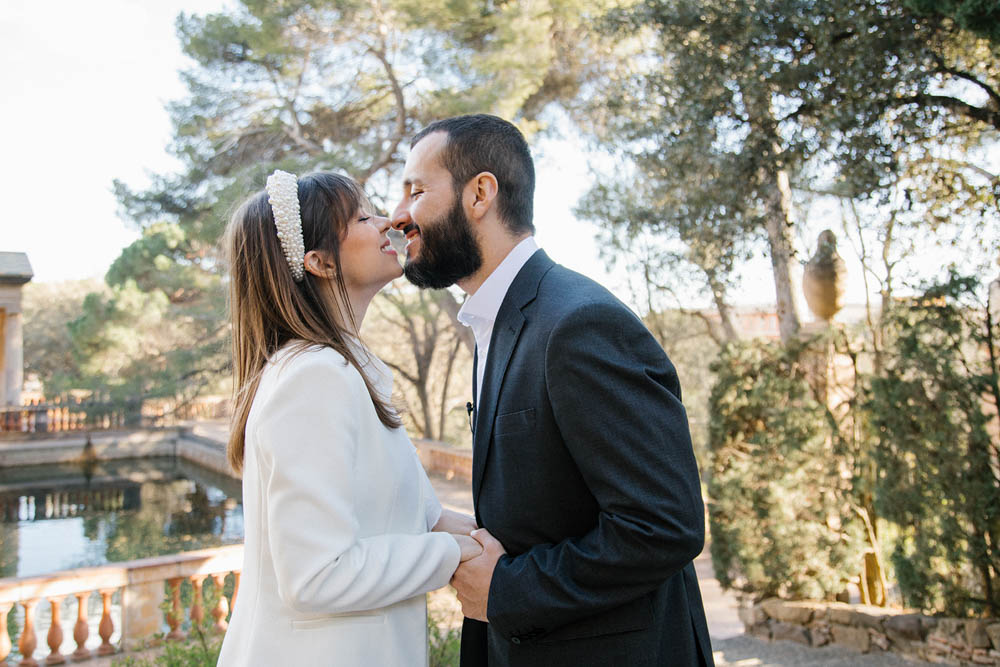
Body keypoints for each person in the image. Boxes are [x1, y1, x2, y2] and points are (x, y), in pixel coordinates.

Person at [391, 115, 715, 666]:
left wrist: (508, 589)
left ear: (480, 194)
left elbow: (664, 524)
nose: (399, 216)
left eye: (416, 191)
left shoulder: (577, 324)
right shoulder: (498, 323)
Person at [216, 170, 480, 666]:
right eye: (362, 216)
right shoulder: (314, 378)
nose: (387, 223)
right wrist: (452, 556)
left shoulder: (343, 372)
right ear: (317, 261)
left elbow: (427, 519)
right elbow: (318, 575)